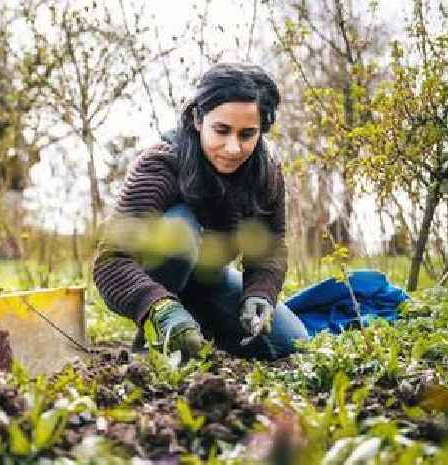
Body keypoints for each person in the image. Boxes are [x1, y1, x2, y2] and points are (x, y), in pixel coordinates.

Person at [92, 63, 309, 361]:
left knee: (291, 342)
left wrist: (260, 293)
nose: (233, 148)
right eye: (221, 130)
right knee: (179, 227)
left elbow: (270, 248)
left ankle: (199, 328)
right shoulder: (160, 165)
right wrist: (158, 307)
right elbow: (111, 261)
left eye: (247, 134)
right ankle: (157, 334)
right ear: (197, 118)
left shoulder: (266, 173)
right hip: (157, 279)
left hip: (211, 281)